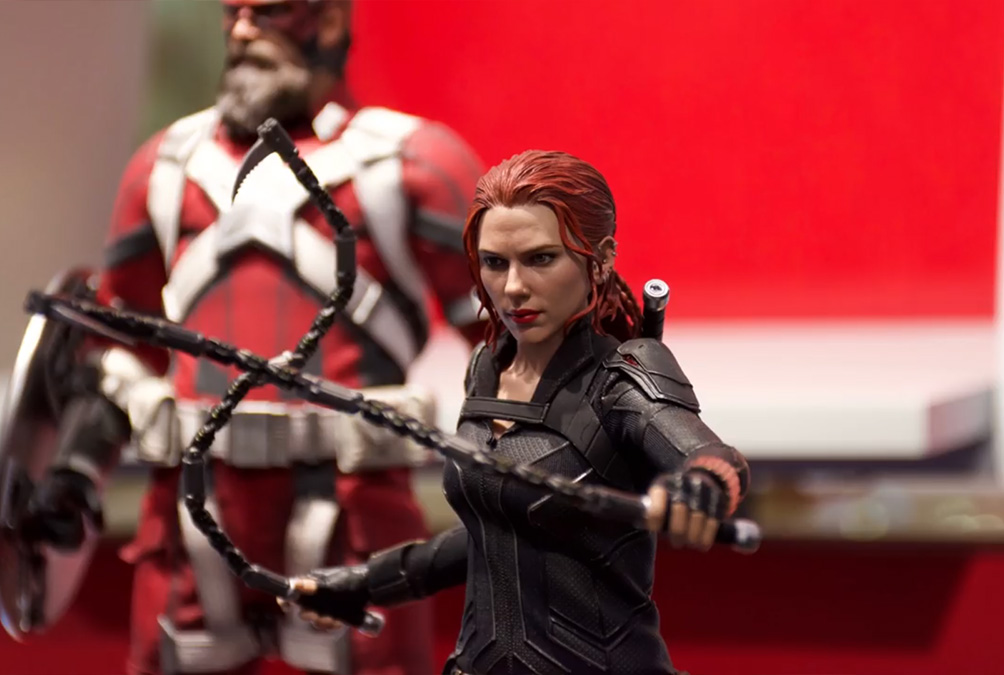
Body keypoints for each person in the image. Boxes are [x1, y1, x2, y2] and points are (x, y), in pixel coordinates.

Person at [25, 1, 487, 674]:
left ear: (330, 21)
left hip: (354, 513)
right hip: (192, 512)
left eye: (269, 11)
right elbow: (120, 352)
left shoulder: (413, 164)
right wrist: (75, 472)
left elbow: (510, 343)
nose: (243, 30)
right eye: (233, 12)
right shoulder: (165, 168)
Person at [281, 150, 751, 675]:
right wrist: (364, 583)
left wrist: (699, 488)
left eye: (541, 259)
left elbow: (711, 456)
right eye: (495, 263)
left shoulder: (622, 376)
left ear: (600, 259)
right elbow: (492, 534)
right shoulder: (486, 368)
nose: (513, 288)